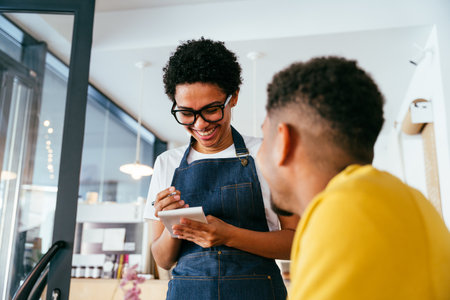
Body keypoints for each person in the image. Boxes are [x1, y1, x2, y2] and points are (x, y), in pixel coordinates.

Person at [256, 56, 450, 299]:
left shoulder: (342, 211)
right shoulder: (413, 202)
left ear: (283, 141)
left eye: (264, 139)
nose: (259, 155)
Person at [143, 37, 298, 300]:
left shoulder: (268, 154)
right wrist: (174, 227)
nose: (200, 124)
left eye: (211, 110)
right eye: (186, 113)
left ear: (233, 97)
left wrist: (228, 235)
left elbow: (297, 243)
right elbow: (162, 260)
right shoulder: (166, 163)